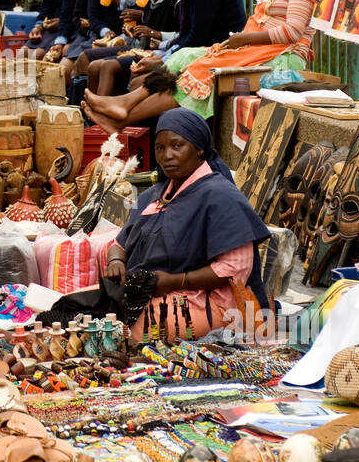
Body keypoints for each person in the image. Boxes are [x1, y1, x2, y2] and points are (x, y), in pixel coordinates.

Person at [84, 0, 319, 131]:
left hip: (283, 57)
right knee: (185, 56)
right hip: (256, 49)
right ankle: (124, 104)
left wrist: (245, 38)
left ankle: (122, 117)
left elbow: (293, 32)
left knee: (201, 70)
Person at [103, 108, 271, 342]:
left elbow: (235, 268)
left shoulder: (221, 196)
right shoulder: (153, 195)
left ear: (199, 149)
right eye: (160, 148)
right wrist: (116, 261)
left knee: (131, 334)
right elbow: (119, 242)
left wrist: (175, 281)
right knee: (87, 312)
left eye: (176, 145)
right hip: (152, 292)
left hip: (210, 301)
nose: (166, 156)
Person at [85, 0, 179, 95]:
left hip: (160, 52)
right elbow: (145, 27)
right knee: (93, 67)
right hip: (140, 48)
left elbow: (180, 34)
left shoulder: (176, 2)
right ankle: (89, 110)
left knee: (107, 67)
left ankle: (100, 108)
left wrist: (154, 34)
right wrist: (134, 31)